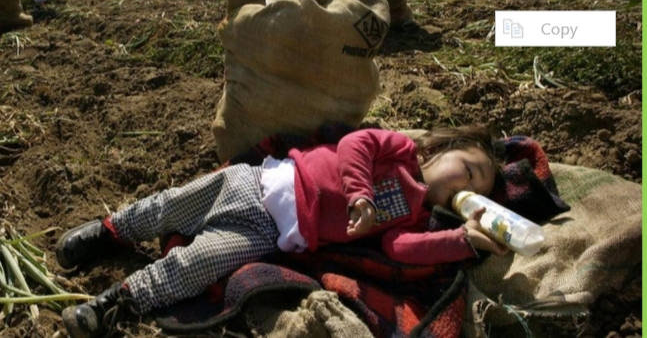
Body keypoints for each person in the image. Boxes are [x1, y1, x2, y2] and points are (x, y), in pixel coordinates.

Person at [56, 126, 511, 338]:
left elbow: (399, 248)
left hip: (268, 233)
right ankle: (109, 231)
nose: (466, 187)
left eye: (477, 190)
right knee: (172, 205)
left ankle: (115, 302)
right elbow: (355, 144)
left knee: (199, 264)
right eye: (468, 170)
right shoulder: (403, 150)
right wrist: (361, 195)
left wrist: (460, 241)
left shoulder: (413, 217)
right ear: (442, 150)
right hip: (260, 181)